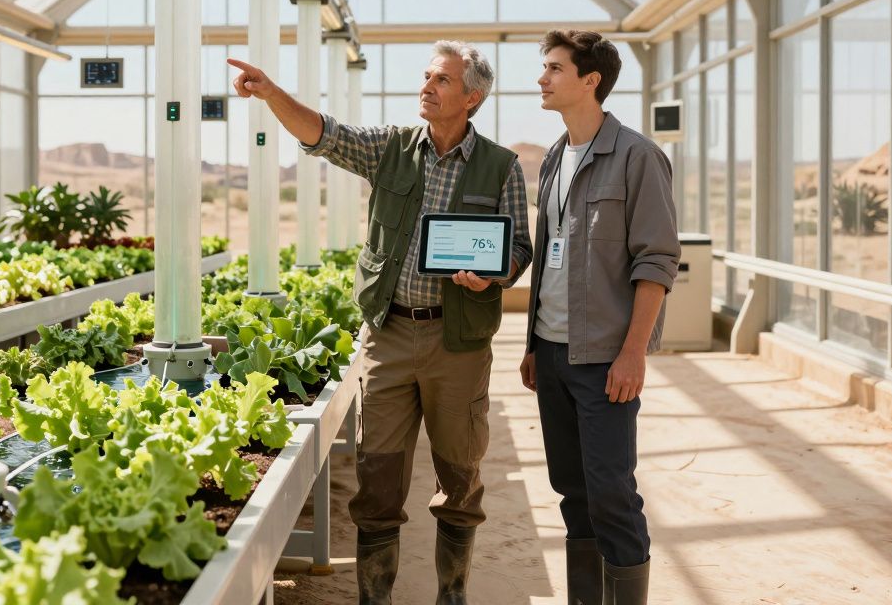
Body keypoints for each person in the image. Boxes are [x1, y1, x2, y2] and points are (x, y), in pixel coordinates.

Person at [229, 41, 532, 605]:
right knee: (377, 478)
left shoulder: (501, 166)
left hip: (458, 343)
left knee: (460, 476)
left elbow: (518, 246)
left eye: (440, 80)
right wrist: (270, 92)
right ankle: (376, 600)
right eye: (426, 76)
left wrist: (494, 273)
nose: (426, 86)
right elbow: (326, 134)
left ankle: (452, 596)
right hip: (388, 335)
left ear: (471, 97)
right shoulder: (393, 149)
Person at [520, 30, 679, 605]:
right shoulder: (555, 158)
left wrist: (634, 352)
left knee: (611, 490)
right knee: (571, 491)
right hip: (553, 352)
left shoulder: (638, 157)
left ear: (591, 81)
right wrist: (535, 345)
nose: (542, 79)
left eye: (554, 69)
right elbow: (550, 256)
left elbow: (657, 261)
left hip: (605, 357)